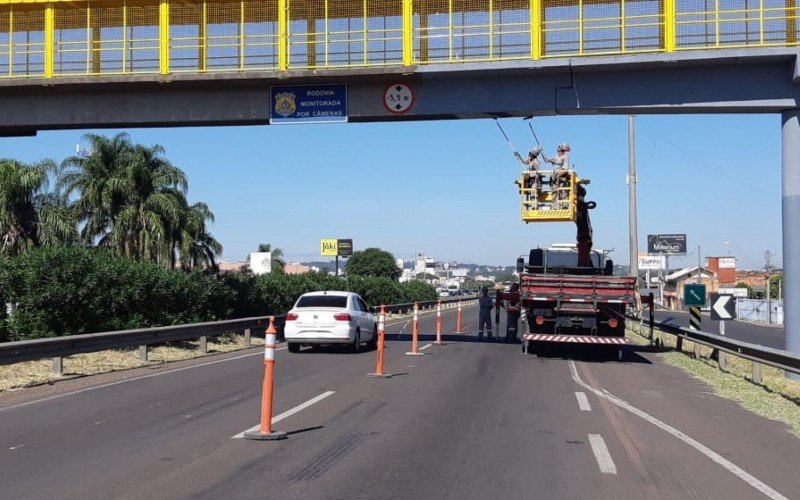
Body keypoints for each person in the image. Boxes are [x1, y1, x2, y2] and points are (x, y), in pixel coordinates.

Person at [548, 143, 571, 209]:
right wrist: (542, 152)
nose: (558, 149)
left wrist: (559, 174)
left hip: (562, 178)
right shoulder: (556, 157)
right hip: (555, 178)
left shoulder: (565, 157)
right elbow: (547, 160)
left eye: (559, 148)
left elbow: (565, 168)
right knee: (554, 192)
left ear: (562, 150)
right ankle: (554, 207)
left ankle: (565, 206)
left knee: (563, 192)